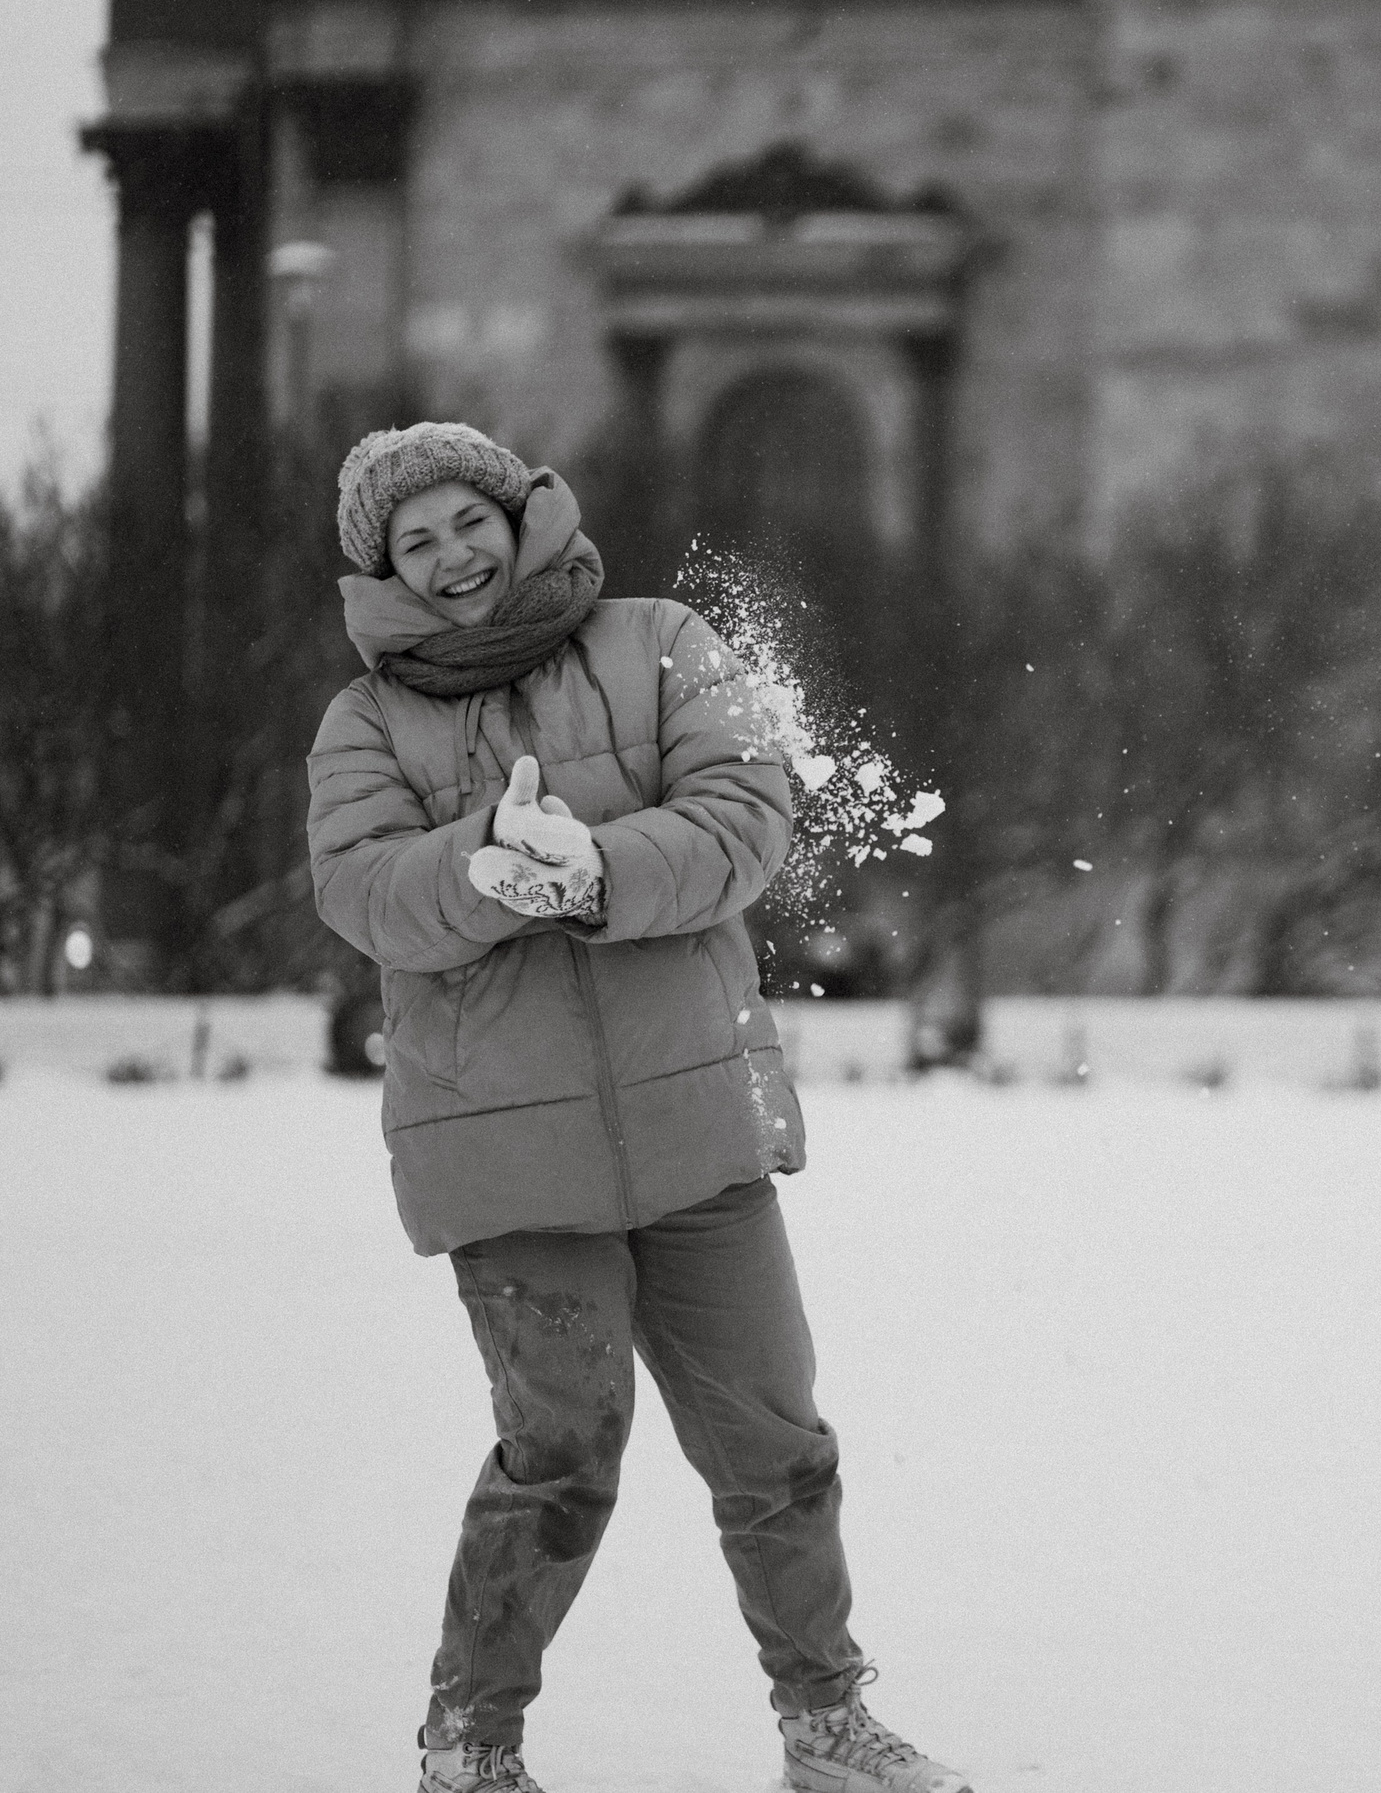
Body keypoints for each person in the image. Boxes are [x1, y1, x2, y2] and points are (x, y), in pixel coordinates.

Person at [306, 421, 970, 1793]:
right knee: (557, 1457)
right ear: (384, 570)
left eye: (468, 521)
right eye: (414, 543)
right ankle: (471, 1748)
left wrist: (594, 868)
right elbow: (363, 891)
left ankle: (827, 1728)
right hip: (505, 1155)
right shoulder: (364, 722)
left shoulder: (660, 640)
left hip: (698, 1131)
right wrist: (485, 865)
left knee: (776, 1446)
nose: (451, 557)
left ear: (520, 515)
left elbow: (745, 816)